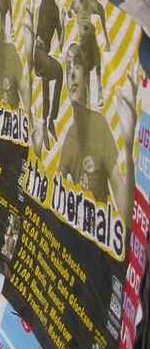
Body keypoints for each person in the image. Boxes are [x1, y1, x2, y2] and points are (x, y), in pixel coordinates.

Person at [58, 43, 136, 225]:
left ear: (86, 76)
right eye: (68, 67)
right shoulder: (69, 137)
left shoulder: (99, 125)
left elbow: (125, 212)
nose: (71, 74)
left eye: (76, 66)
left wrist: (129, 146)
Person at [33, 0, 65, 150]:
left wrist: (64, 25)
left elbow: (61, 41)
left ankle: (48, 121)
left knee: (54, 77)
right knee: (55, 73)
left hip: (44, 55)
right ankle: (47, 121)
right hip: (37, 53)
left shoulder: (56, 10)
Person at [68, 0, 110, 107]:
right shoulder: (77, 2)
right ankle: (88, 99)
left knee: (97, 63)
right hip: (82, 41)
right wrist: (67, 13)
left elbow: (102, 17)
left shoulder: (93, 3)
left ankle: (99, 92)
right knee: (84, 70)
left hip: (90, 37)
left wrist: (107, 41)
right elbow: (69, 10)